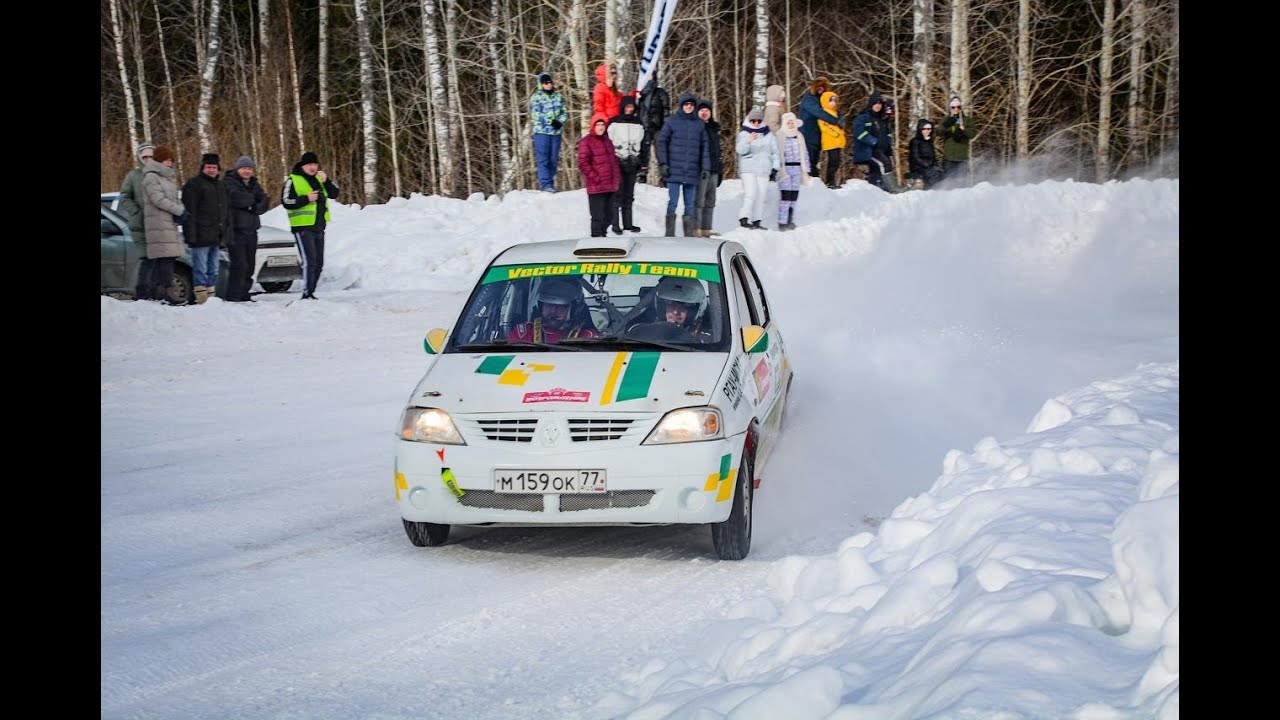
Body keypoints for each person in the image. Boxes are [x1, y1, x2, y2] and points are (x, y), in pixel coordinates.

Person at [282, 150, 340, 300]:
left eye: (314, 164)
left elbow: (335, 193)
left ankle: (311, 291)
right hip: (302, 227)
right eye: (309, 165)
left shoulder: (320, 179)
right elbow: (286, 202)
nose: (312, 167)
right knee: (309, 260)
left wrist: (327, 180)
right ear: (302, 165)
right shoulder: (293, 180)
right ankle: (307, 292)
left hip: (319, 226)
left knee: (319, 262)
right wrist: (306, 198)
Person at [656, 92, 711, 237]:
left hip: (692, 170)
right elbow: (661, 142)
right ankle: (669, 233)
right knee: (673, 202)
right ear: (681, 106)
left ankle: (688, 234)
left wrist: (706, 167)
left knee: (690, 204)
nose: (689, 107)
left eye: (691, 105)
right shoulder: (672, 122)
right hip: (674, 169)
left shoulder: (699, 124)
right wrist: (663, 163)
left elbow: (704, 147)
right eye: (686, 104)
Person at [140, 146, 189, 304]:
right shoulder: (151, 177)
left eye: (171, 160)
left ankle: (163, 292)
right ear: (159, 161)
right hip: (158, 224)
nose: (169, 163)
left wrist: (181, 210)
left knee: (168, 259)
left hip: (167, 223)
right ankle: (163, 293)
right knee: (163, 259)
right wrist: (178, 211)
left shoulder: (167, 177)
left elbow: (174, 198)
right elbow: (158, 199)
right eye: (167, 160)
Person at [181, 153, 231, 304]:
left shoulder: (221, 185)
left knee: (214, 269)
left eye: (214, 167)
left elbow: (225, 212)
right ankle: (201, 297)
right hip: (200, 235)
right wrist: (190, 235)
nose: (211, 170)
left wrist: (225, 234)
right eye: (208, 167)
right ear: (203, 168)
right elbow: (189, 212)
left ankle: (211, 297)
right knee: (200, 268)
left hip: (216, 236)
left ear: (218, 169)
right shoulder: (193, 184)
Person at [222, 155, 271, 302]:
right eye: (244, 168)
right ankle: (234, 295)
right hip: (236, 230)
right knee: (239, 264)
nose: (247, 171)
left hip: (252, 230)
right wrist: (252, 201)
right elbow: (236, 198)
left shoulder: (254, 184)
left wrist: (253, 205)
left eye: (249, 168)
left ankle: (244, 292)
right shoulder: (229, 182)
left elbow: (264, 201)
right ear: (238, 169)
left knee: (250, 265)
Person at [118, 141, 157, 300]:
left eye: (151, 156)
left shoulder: (159, 173)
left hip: (157, 225)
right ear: (140, 157)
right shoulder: (134, 175)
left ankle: (154, 293)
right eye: (145, 156)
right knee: (146, 259)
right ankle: (142, 294)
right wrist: (136, 212)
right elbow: (125, 196)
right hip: (140, 225)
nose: (148, 159)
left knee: (156, 259)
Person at [508, 277, 599, 343]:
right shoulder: (524, 333)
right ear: (541, 306)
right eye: (548, 305)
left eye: (561, 306)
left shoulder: (588, 337)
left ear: (574, 309)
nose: (553, 311)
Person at [578, 113, 622, 238]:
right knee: (597, 216)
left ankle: (602, 236)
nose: (601, 127)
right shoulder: (586, 142)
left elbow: (613, 162)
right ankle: (596, 240)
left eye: (603, 124)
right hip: (596, 187)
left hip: (610, 186)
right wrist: (595, 177)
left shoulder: (608, 141)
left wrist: (617, 179)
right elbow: (583, 163)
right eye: (598, 125)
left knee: (610, 216)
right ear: (593, 126)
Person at [607, 95, 645, 234]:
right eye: (627, 107)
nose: (629, 109)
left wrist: (642, 162)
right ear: (623, 107)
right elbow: (607, 142)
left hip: (633, 161)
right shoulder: (614, 123)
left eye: (631, 107)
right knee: (617, 194)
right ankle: (615, 224)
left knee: (629, 195)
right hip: (617, 161)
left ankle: (628, 224)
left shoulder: (639, 123)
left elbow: (644, 144)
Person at [736, 107, 779, 230]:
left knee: (761, 195)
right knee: (751, 193)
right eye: (753, 120)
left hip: (764, 168)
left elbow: (775, 152)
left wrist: (775, 167)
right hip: (748, 168)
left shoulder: (768, 134)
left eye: (758, 121)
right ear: (749, 120)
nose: (756, 123)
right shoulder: (744, 134)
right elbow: (740, 150)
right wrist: (748, 141)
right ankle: (743, 218)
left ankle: (757, 221)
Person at [530, 73, 568, 192]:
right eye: (546, 83)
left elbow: (564, 111)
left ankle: (550, 183)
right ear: (541, 85)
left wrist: (560, 122)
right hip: (542, 132)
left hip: (556, 133)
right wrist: (550, 121)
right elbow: (536, 114)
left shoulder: (558, 96)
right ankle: (545, 184)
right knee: (543, 159)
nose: (549, 84)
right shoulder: (536, 97)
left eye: (550, 82)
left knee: (553, 159)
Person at [797, 76, 840, 178]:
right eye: (818, 86)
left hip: (817, 135)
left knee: (815, 161)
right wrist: (835, 121)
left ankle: (818, 182)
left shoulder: (823, 100)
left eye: (823, 86)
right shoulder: (809, 99)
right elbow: (819, 113)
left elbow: (831, 111)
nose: (820, 88)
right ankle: (809, 182)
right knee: (810, 161)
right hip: (807, 134)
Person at [775, 112, 811, 230]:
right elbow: (776, 154)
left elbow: (804, 152)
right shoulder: (780, 135)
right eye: (788, 123)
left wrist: (806, 169)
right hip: (785, 170)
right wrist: (778, 168)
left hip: (797, 169)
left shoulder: (799, 135)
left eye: (792, 122)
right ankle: (782, 221)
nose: (790, 125)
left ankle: (790, 219)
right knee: (785, 196)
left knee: (794, 196)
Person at [694, 98, 724, 238]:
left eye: (707, 110)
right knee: (699, 200)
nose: (704, 113)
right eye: (702, 110)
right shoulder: (695, 127)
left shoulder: (714, 128)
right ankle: (697, 229)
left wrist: (720, 170)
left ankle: (706, 229)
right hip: (701, 170)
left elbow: (718, 151)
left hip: (714, 169)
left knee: (710, 201)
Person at [638, 71, 670, 184]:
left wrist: (666, 126)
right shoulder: (641, 94)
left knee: (661, 150)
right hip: (644, 126)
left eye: (651, 75)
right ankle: (642, 174)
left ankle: (664, 175)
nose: (649, 78)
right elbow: (639, 110)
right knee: (643, 150)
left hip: (658, 126)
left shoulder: (661, 93)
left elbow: (666, 110)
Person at [851, 93, 887, 189]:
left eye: (880, 103)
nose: (878, 105)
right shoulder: (863, 117)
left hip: (877, 151)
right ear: (871, 104)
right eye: (876, 103)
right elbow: (859, 133)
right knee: (880, 165)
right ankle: (881, 187)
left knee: (885, 163)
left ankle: (883, 187)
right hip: (864, 151)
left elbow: (884, 135)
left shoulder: (881, 119)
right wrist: (873, 141)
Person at [940, 95, 974, 185]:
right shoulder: (946, 119)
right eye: (953, 107)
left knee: (962, 184)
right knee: (948, 183)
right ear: (950, 108)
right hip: (949, 158)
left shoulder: (967, 120)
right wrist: (946, 125)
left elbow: (972, 134)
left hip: (962, 158)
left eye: (958, 107)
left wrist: (964, 130)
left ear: (961, 107)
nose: (956, 109)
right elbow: (938, 132)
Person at [817, 90, 846, 188]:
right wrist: (835, 133)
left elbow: (840, 127)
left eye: (834, 101)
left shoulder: (837, 113)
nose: (833, 103)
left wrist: (841, 134)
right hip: (830, 141)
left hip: (837, 142)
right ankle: (829, 181)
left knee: (837, 162)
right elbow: (824, 126)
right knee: (833, 161)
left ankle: (832, 181)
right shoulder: (824, 113)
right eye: (830, 101)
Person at [907, 118, 941, 190]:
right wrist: (925, 164)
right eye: (925, 129)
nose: (928, 131)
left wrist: (935, 164)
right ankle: (931, 190)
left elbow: (933, 156)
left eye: (930, 129)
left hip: (929, 166)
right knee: (934, 174)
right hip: (918, 167)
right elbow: (915, 157)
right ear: (921, 129)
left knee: (941, 172)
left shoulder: (929, 141)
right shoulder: (915, 141)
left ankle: (938, 190)